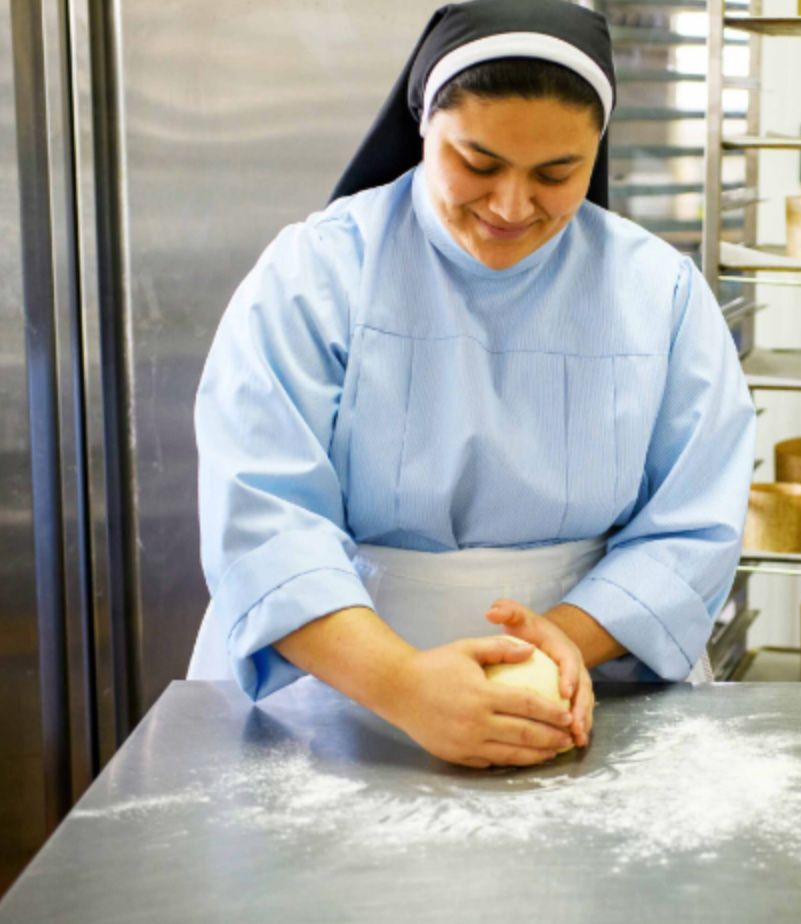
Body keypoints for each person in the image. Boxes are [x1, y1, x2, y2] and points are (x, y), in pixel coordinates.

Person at [188, 0, 755, 770]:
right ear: (423, 125)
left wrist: (563, 642)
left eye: (559, 173)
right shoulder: (314, 275)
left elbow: (696, 521)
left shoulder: (662, 293)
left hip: (585, 683)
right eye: (478, 163)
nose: (512, 206)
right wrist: (401, 683)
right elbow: (262, 520)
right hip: (333, 690)